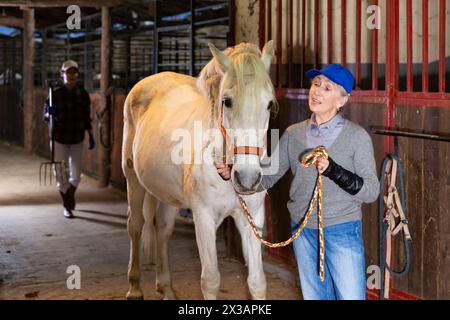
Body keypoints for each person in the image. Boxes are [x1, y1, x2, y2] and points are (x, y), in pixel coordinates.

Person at [216, 64, 380, 300]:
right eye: (315, 84)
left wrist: (333, 171)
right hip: (303, 230)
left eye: (327, 88)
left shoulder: (356, 137)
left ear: (342, 100)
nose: (317, 91)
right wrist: (235, 173)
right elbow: (269, 176)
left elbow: (371, 191)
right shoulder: (294, 134)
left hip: (342, 229)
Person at [44, 60, 96, 219]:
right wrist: (48, 113)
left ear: (77, 74)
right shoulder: (55, 93)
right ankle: (67, 205)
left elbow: (86, 116)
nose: (71, 75)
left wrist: (91, 133)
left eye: (74, 72)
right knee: (59, 172)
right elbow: (44, 115)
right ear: (62, 74)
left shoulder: (82, 93)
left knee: (77, 173)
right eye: (68, 72)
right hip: (59, 137)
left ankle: (70, 193)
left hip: (77, 136)